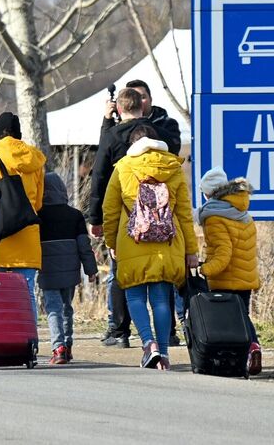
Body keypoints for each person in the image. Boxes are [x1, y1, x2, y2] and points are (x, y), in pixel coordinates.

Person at [101, 124, 197, 371]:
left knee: (134, 295)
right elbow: (185, 213)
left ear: (132, 145)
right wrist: (191, 250)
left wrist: (111, 242)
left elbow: (110, 210)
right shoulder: (173, 167)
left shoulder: (123, 167)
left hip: (131, 239)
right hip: (168, 242)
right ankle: (163, 353)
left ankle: (148, 343)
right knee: (161, 298)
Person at [88, 88, 178, 348]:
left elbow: (99, 176)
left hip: (128, 217)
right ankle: (167, 334)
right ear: (143, 105)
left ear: (119, 109)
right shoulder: (157, 134)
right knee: (162, 280)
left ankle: (120, 331)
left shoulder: (114, 136)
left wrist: (97, 219)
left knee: (121, 275)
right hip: (162, 216)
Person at [0, 112, 46, 314]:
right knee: (26, 294)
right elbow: (39, 202)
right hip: (28, 237)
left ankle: (0, 340)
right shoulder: (35, 158)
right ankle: (28, 341)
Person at [197, 167, 263, 375]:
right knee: (243, 317)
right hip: (246, 275)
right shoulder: (242, 212)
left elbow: (223, 254)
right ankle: (253, 347)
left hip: (225, 278)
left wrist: (204, 269)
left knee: (231, 323)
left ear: (210, 193)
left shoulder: (214, 217)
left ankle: (245, 351)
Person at [38, 172, 98, 365]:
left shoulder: (38, 216)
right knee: (66, 308)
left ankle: (59, 348)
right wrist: (91, 270)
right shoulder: (75, 215)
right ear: (62, 190)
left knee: (53, 308)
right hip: (70, 271)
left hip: (48, 271)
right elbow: (84, 246)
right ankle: (68, 345)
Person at [101, 79, 184, 154]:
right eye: (131, 98)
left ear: (150, 99)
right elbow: (104, 150)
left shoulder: (167, 123)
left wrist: (143, 123)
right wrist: (108, 120)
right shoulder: (117, 126)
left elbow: (174, 148)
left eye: (142, 97)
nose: (136, 101)